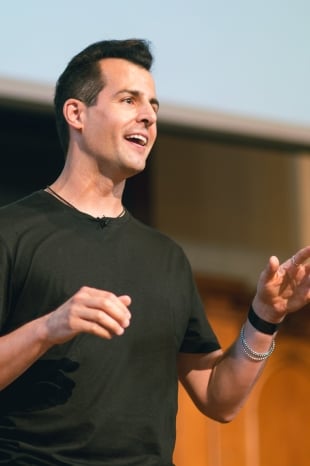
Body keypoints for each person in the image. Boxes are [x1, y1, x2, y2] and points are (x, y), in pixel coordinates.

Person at [0, 39, 309, 466]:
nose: (148, 115)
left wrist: (265, 317)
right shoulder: (11, 231)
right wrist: (49, 327)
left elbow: (220, 399)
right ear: (76, 114)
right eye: (129, 99)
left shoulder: (166, 257)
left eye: (154, 107)